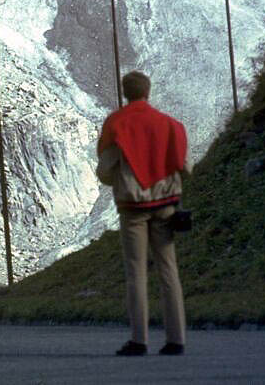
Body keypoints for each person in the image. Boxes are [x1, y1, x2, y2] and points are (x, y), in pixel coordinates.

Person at [97, 70, 191, 357]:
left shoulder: (117, 123)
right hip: (165, 206)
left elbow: (104, 169)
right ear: (148, 91)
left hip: (133, 209)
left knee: (136, 272)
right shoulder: (169, 124)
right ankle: (176, 339)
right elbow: (185, 167)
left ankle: (139, 340)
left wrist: (121, 179)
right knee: (168, 270)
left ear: (126, 93)